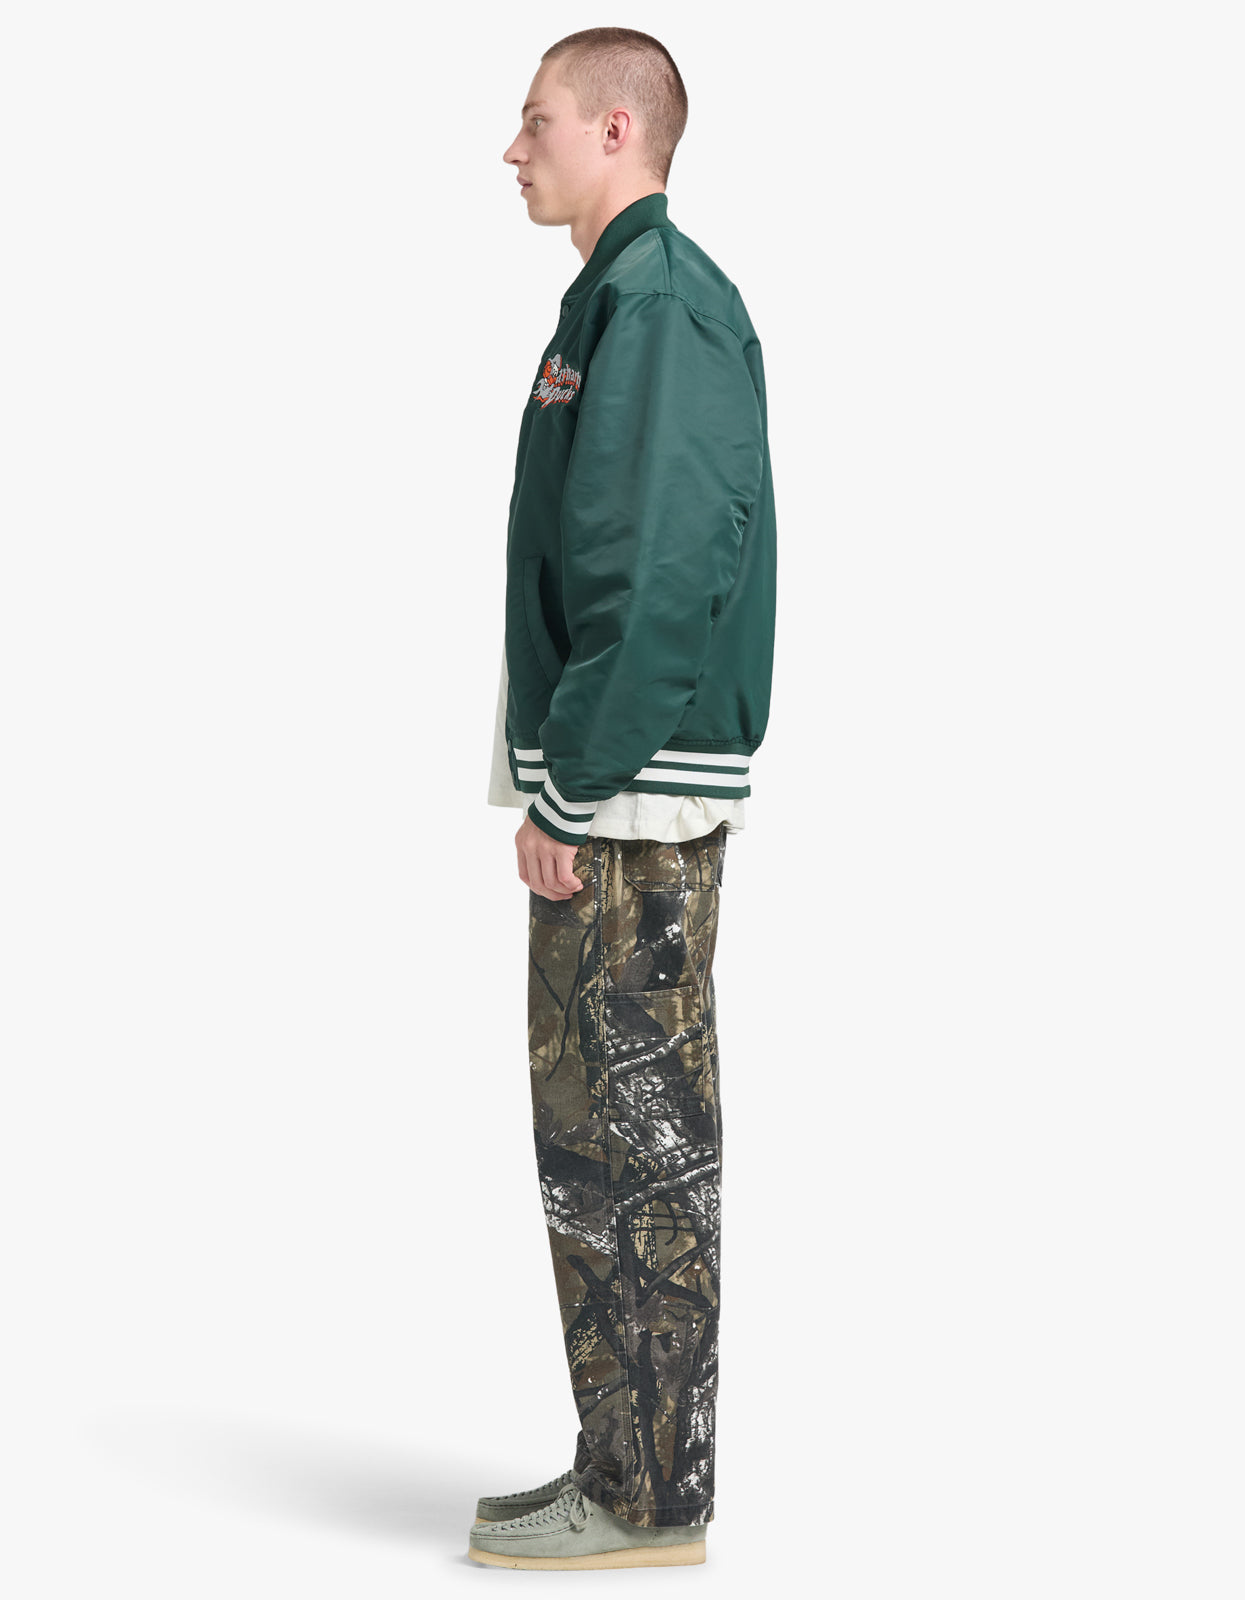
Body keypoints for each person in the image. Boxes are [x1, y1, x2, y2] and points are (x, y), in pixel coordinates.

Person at [469, 26, 777, 1571]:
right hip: (610, 789)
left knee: (636, 1153)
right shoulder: (615, 297)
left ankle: (652, 1501)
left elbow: (658, 569)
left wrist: (574, 786)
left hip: (630, 804)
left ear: (612, 130)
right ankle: (618, 1466)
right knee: (592, 1147)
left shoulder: (657, 303)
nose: (508, 148)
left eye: (533, 121)